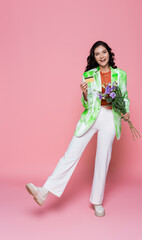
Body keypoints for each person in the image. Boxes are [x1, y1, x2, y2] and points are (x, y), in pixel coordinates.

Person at [25, 40, 130, 217]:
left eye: (103, 52)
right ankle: (44, 191)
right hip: (91, 118)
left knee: (102, 158)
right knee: (70, 154)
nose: (101, 56)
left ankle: (97, 201)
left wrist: (126, 111)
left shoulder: (121, 75)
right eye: (97, 54)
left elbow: (124, 97)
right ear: (94, 57)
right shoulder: (89, 74)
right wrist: (84, 92)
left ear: (109, 54)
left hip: (110, 118)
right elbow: (87, 104)